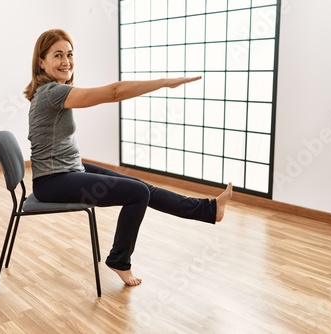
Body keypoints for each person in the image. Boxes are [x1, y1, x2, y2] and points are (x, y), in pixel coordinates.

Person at [24, 29, 233, 286]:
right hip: (53, 182)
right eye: (58, 55)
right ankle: (119, 260)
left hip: (67, 171)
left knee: (141, 187)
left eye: (69, 54)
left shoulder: (50, 91)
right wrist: (165, 82)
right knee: (137, 194)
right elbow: (114, 92)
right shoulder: (52, 93)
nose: (66, 61)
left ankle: (209, 209)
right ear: (41, 62)